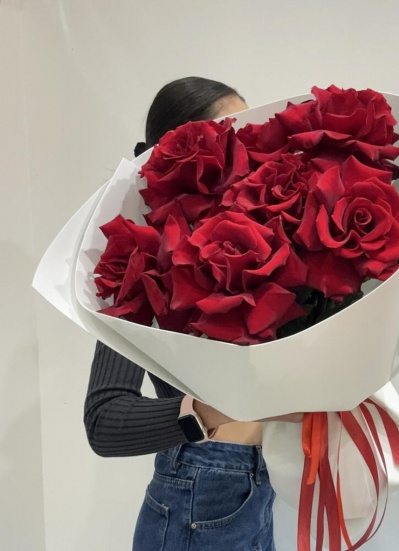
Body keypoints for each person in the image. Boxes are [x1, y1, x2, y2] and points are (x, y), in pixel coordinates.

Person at [84, 77, 301, 551]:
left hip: (260, 486)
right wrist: (230, 407)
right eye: (228, 133)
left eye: (249, 130)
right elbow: (105, 419)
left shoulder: (263, 238)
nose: (245, 148)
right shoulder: (145, 257)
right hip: (197, 493)